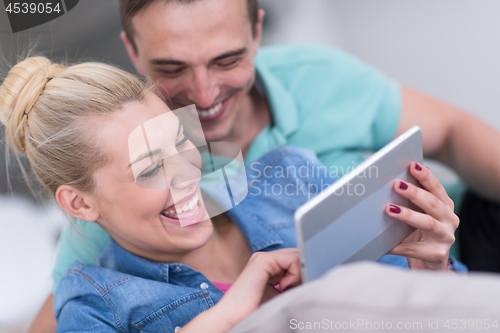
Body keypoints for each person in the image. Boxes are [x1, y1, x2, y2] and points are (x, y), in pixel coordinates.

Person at [28, 0, 500, 329]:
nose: (204, 94)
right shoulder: (96, 276)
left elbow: (433, 305)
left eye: (181, 144)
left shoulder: (289, 159)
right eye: (172, 69)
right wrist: (233, 310)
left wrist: (432, 261)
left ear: (256, 34)